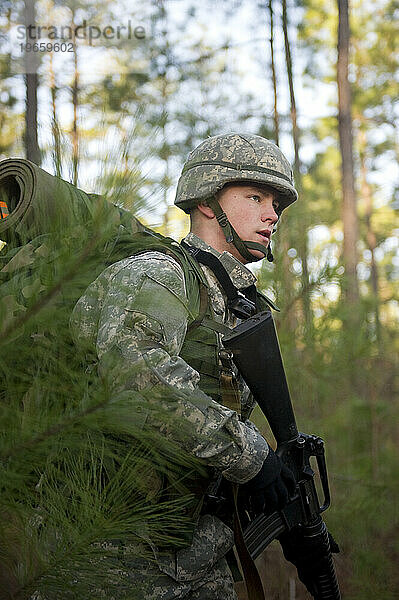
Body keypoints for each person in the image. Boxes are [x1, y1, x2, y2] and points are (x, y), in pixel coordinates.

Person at [71, 132, 298, 599]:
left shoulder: (233, 302)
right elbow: (136, 378)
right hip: (115, 554)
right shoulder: (159, 273)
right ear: (208, 201)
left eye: (275, 202)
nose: (271, 214)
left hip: (195, 551)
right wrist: (251, 458)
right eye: (255, 196)